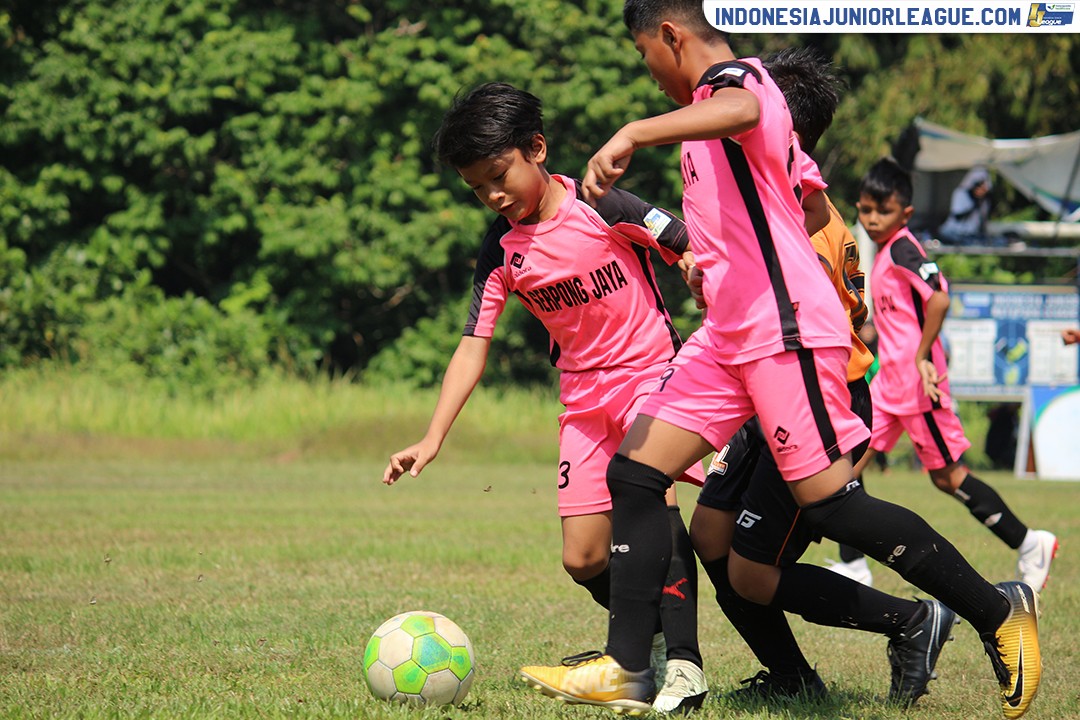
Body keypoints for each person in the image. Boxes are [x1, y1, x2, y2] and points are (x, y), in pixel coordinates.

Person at [517, 4, 1042, 719]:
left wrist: (634, 131)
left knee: (832, 504)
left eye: (645, 55)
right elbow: (769, 204)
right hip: (726, 336)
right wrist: (713, 265)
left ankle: (996, 610)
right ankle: (632, 667)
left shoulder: (741, 82)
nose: (649, 72)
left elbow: (743, 110)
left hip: (783, 331)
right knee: (636, 473)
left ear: (670, 36)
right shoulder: (709, 127)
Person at [381, 82, 707, 713]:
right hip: (582, 400)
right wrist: (432, 437)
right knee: (583, 558)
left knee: (653, 509)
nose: (493, 196)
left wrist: (696, 267)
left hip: (651, 377)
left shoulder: (601, 204)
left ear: (537, 149)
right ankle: (649, 645)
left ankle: (681, 668)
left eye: (499, 176)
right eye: (477, 188)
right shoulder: (500, 249)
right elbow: (473, 345)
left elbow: (688, 243)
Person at [688, 47, 955, 707]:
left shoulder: (799, 222)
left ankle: (914, 619)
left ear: (777, 129)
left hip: (817, 396)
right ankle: (790, 674)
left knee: (754, 571)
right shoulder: (789, 206)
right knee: (711, 535)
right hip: (771, 390)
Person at [853, 158, 1058, 595]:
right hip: (889, 383)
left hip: (917, 384)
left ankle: (1030, 543)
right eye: (865, 210)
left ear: (904, 214)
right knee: (849, 458)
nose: (871, 220)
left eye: (882, 211)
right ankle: (853, 564)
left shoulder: (905, 248)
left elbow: (941, 297)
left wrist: (923, 353)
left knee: (947, 477)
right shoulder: (887, 252)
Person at [937, 166, 994, 246]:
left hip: (971, 234)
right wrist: (975, 203)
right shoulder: (961, 193)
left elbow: (983, 219)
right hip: (953, 232)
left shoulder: (984, 200)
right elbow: (958, 216)